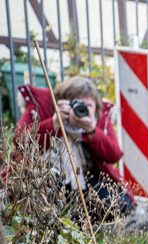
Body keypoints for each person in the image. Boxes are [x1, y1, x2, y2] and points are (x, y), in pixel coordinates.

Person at [15, 76, 135, 217]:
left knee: (121, 203)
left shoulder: (98, 118)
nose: (81, 109)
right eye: (75, 104)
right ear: (61, 102)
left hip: (88, 181)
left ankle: (74, 221)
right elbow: (20, 142)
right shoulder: (41, 109)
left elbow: (113, 155)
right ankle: (60, 218)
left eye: (87, 106)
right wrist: (54, 123)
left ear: (96, 106)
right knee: (40, 198)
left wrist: (92, 130)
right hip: (47, 178)